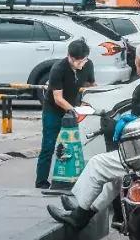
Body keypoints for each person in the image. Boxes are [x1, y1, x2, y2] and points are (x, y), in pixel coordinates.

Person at [47, 40, 140, 230]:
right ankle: (83, 212)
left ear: (139, 62)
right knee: (116, 178)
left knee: (97, 164)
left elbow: (136, 130)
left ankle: (79, 210)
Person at [36, 40, 96, 189]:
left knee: (79, 143)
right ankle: (41, 181)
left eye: (83, 60)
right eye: (77, 61)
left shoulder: (88, 65)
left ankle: (78, 178)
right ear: (69, 56)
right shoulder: (58, 68)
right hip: (54, 109)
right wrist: (74, 110)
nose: (81, 64)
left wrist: (93, 99)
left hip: (73, 105)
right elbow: (58, 98)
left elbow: (91, 85)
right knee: (48, 145)